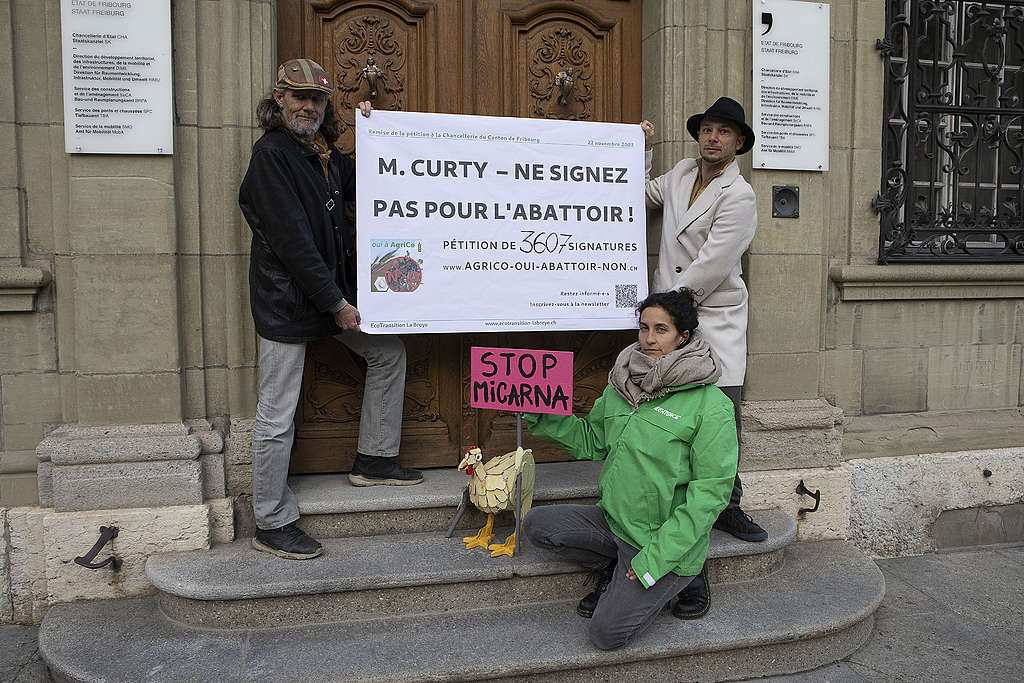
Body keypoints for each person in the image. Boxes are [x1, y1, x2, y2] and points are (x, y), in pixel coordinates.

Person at [239, 58, 422, 561]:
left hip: (325, 299)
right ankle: (271, 520)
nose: (308, 106)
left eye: (317, 99)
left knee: (387, 355)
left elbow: (362, 179)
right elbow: (294, 244)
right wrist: (338, 303)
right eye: (298, 97)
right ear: (278, 99)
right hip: (290, 305)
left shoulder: (320, 152)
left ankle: (374, 459)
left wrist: (376, 131)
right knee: (277, 413)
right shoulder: (271, 158)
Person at [521, 290, 737, 650]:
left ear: (684, 337)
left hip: (661, 539)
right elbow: (592, 440)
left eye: (661, 330)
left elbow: (710, 493)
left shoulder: (710, 405)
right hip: (615, 520)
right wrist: (543, 414)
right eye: (643, 328)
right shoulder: (623, 385)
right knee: (537, 526)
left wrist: (655, 560)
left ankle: (686, 574)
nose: (649, 340)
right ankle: (617, 566)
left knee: (606, 635)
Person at [640, 98, 768, 544]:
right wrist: (640, 148)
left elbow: (714, 262)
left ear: (738, 142)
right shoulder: (678, 173)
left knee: (721, 412)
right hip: (671, 321)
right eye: (707, 130)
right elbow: (638, 194)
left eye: (724, 132)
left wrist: (669, 311)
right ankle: (678, 499)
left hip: (712, 317)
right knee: (675, 408)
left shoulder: (740, 195)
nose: (713, 138)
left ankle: (729, 507)